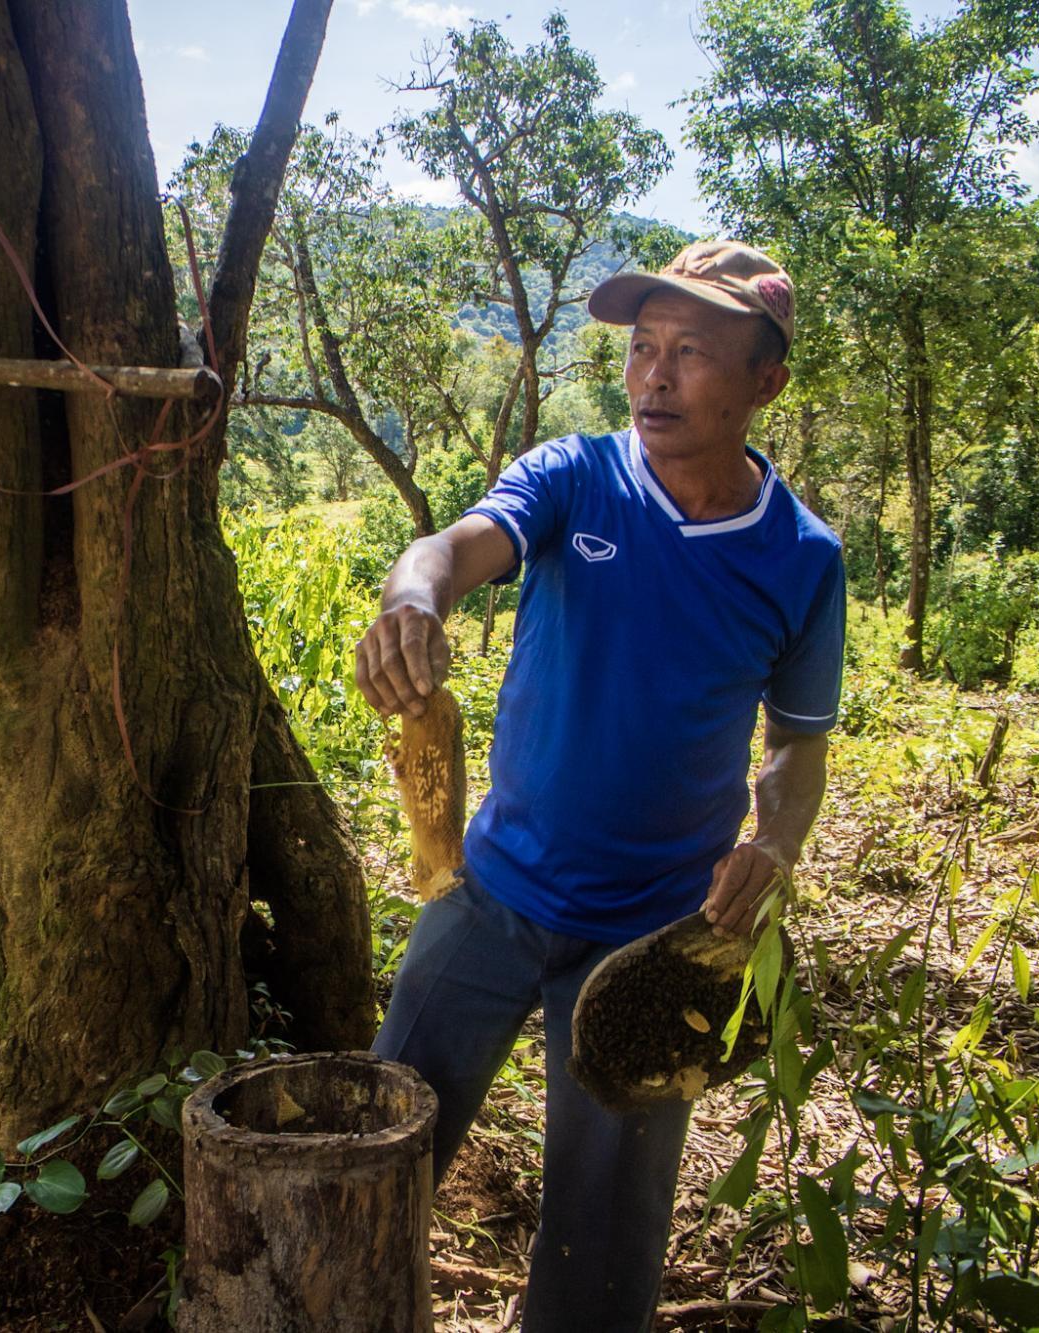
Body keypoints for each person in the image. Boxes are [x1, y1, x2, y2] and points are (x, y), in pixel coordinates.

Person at [356, 240, 845, 1331]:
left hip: (653, 942)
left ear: (764, 381)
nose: (653, 377)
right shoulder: (574, 475)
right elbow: (449, 547)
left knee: (603, 1236)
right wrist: (413, 602)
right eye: (641, 350)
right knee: (377, 1154)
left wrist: (774, 843)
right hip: (490, 897)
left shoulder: (800, 557)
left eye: (691, 354)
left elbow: (796, 745)